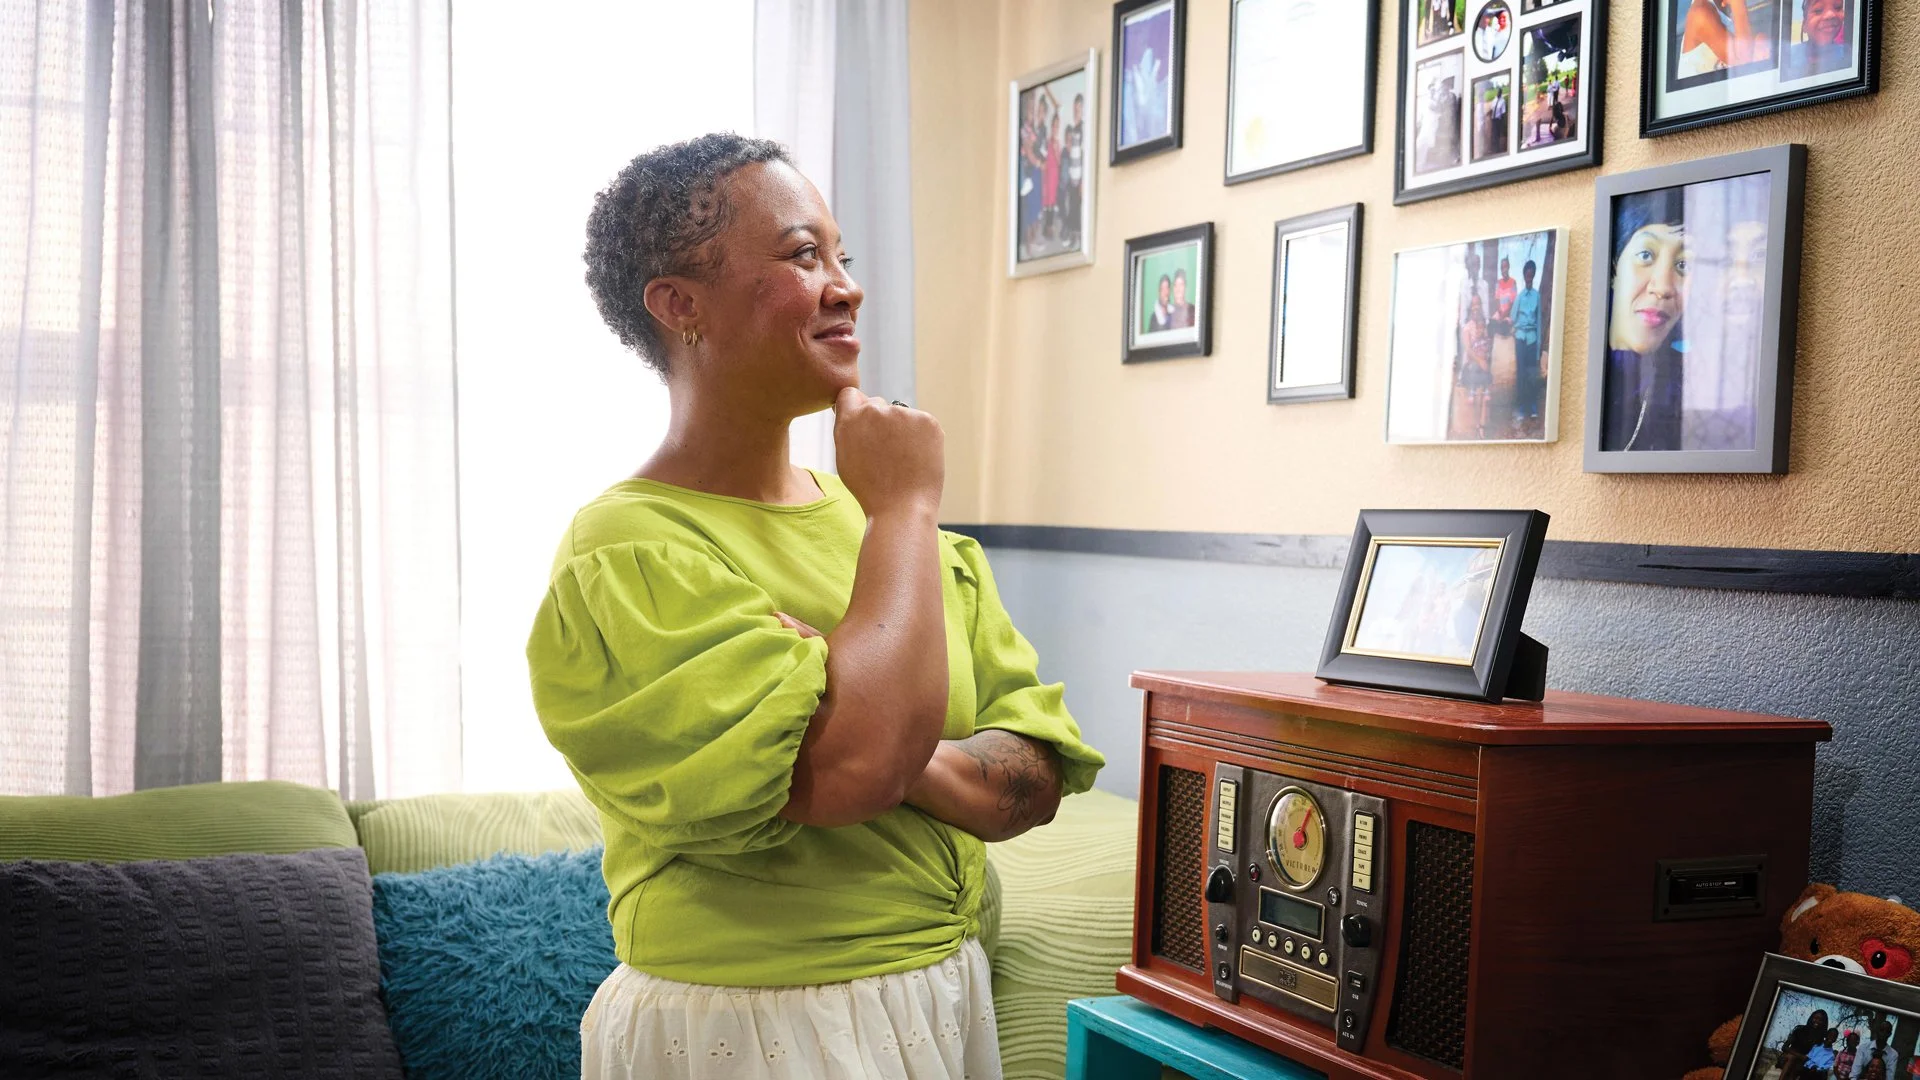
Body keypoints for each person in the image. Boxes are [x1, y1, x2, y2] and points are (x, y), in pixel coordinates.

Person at [544, 133, 1105, 1080]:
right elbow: (848, 772)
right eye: (805, 256)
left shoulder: (894, 535)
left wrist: (881, 735)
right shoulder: (629, 553)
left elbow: (1031, 781)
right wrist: (905, 507)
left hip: (940, 995)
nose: (844, 285)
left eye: (843, 256)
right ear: (680, 304)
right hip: (754, 1026)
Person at [1600, 188, 1689, 452]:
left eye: (1684, 265)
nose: (1663, 287)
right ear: (1615, 265)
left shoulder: (1685, 388)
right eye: (1646, 256)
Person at [1678, 0, 1772, 77]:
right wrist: (1738, 4)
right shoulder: (1700, 12)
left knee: (1762, 42)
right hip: (1703, 97)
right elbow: (1744, 63)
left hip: (1726, 91)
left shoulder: (1721, 6)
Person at [1511, 259, 1544, 427]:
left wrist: (1538, 350)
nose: (1529, 278)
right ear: (1524, 276)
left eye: (1532, 275)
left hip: (1531, 339)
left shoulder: (1537, 296)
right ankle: (1520, 407)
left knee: (1532, 375)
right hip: (1520, 339)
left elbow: (1539, 323)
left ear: (1534, 275)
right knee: (1521, 374)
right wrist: (1516, 330)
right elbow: (1512, 317)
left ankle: (1532, 407)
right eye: (1527, 275)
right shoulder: (1520, 296)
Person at [1782, 0, 1850, 78]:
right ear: (1804, 25)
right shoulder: (1787, 55)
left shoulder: (1848, 52)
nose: (1831, 15)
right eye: (1818, 10)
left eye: (1837, 8)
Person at [1457, 294, 1493, 438]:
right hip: (1471, 368)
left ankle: (1482, 426)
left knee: (1485, 381)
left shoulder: (1482, 325)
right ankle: (1476, 427)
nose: (1476, 307)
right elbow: (1468, 350)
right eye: (1473, 305)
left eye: (1478, 304)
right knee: (1475, 372)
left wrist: (1486, 360)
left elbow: (1487, 345)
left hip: (1481, 367)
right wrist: (1481, 361)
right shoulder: (1467, 327)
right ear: (1470, 308)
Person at [1062, 94, 1085, 246]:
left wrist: (1083, 180)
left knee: (1077, 207)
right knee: (1071, 206)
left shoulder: (1083, 128)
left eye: (1079, 108)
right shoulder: (1072, 128)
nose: (1076, 111)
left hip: (1079, 175)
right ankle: (1071, 235)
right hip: (1071, 174)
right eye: (1074, 109)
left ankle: (1076, 237)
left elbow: (1085, 153)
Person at [1041, 111, 1063, 244]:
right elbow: (1043, 157)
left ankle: (1050, 226)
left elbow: (1059, 161)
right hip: (1048, 174)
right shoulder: (1047, 141)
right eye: (1054, 126)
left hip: (1055, 175)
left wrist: (1056, 151)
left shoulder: (1058, 143)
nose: (1055, 128)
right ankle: (1046, 226)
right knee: (1047, 200)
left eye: (1057, 126)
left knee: (1052, 200)